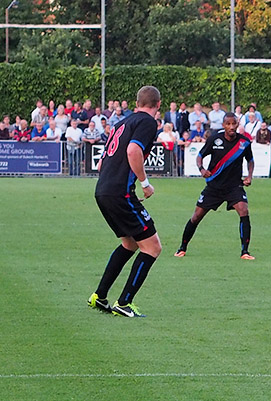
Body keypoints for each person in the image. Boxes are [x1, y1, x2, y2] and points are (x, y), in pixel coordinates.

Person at [88, 85, 162, 318]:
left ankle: (99, 296)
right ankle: (124, 303)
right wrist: (144, 182)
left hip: (103, 191)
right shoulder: (148, 123)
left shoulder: (122, 123)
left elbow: (101, 164)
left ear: (137, 102)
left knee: (129, 244)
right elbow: (133, 151)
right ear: (158, 105)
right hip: (121, 193)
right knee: (152, 247)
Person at [175, 112, 255, 260]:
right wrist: (202, 169)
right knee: (197, 216)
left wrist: (249, 176)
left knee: (244, 211)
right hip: (214, 187)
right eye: (228, 124)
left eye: (234, 124)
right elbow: (200, 156)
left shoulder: (244, 142)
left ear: (237, 124)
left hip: (234, 186)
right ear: (223, 125)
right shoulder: (214, 139)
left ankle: (245, 252)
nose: (231, 127)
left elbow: (250, 160)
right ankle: (182, 247)